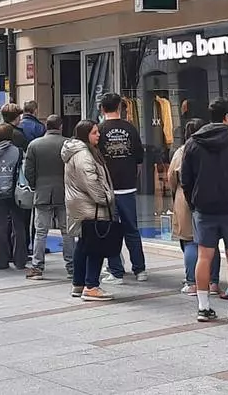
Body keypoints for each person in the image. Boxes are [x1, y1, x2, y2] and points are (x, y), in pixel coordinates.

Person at [181, 98, 228, 323]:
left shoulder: (194, 142)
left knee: (204, 256)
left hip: (204, 208)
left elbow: (186, 179)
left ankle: (203, 307)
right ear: (227, 116)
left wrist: (194, 203)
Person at [97, 92, 148, 284]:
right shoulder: (130, 128)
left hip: (107, 189)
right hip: (127, 188)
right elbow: (139, 159)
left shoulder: (99, 130)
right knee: (132, 230)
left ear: (102, 109)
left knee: (111, 230)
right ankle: (140, 269)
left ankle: (116, 271)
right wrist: (132, 178)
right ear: (119, 107)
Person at [64, 119, 117, 301]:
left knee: (84, 244)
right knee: (95, 246)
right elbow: (91, 181)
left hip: (82, 205)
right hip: (90, 207)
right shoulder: (84, 155)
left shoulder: (79, 152)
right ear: (85, 134)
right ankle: (91, 286)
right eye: (94, 132)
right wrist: (107, 198)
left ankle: (79, 283)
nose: (98, 135)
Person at [169, 118, 222, 295]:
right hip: (210, 197)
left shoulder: (182, 151)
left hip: (185, 198)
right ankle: (213, 282)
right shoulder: (213, 149)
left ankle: (192, 282)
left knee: (190, 240)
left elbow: (172, 177)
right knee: (210, 241)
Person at [25, 114, 75, 280]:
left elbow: (28, 171)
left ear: (46, 126)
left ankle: (37, 267)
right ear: (60, 127)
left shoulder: (34, 145)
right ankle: (72, 268)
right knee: (67, 232)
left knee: (40, 232)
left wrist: (35, 185)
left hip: (42, 192)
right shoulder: (68, 144)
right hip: (64, 192)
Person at [0, 123, 29, 270]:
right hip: (15, 192)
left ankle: (1, 260)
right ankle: (20, 259)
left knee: (0, 226)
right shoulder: (18, 151)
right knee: (19, 226)